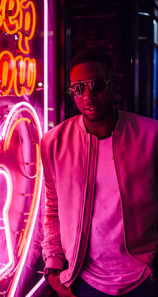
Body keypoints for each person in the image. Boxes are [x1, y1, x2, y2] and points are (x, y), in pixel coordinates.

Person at [40, 48, 158, 297]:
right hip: (83, 280)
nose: (88, 96)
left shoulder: (151, 136)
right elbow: (52, 209)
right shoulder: (54, 143)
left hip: (143, 277)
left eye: (97, 85)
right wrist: (53, 269)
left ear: (113, 83)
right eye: (78, 88)